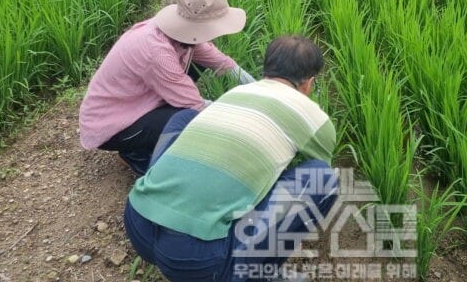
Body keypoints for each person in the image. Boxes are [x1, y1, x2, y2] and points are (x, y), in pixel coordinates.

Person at [123, 35, 338, 282]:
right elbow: (317, 166)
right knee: (322, 177)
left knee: (184, 118)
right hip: (199, 261)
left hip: (137, 223)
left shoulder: (237, 92)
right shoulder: (314, 117)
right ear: (309, 83)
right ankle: (259, 274)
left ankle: (160, 191)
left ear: (266, 71)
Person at [79, 0, 255, 175]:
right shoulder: (156, 52)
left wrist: (261, 89)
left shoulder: (181, 34)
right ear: (200, 26)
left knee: (200, 66)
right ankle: (136, 154)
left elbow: (223, 63)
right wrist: (245, 118)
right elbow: (196, 106)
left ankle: (157, 126)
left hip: (138, 97)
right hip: (113, 124)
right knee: (188, 117)